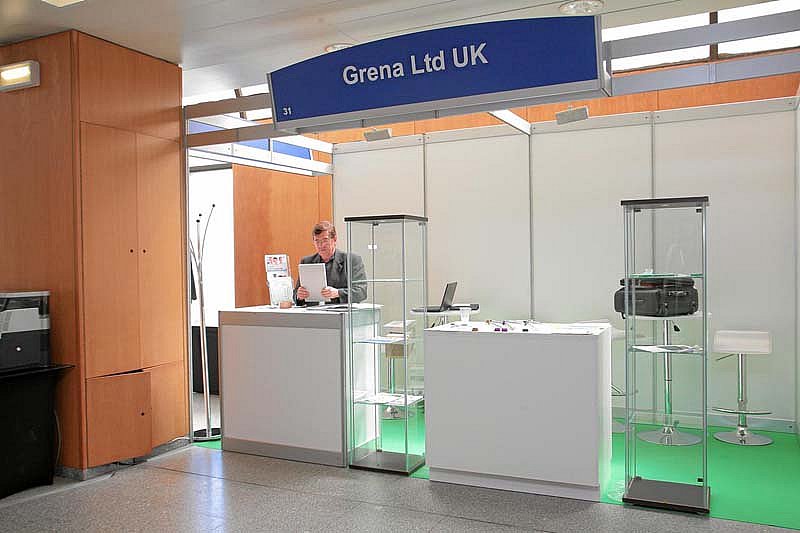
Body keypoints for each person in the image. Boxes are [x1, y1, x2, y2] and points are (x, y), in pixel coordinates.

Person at [294, 221, 367, 305]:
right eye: (317, 241)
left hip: (340, 311)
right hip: (313, 311)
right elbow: (296, 293)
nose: (321, 245)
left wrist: (337, 293)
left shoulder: (351, 260)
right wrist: (299, 295)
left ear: (334, 239)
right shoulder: (306, 262)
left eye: (325, 240)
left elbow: (361, 292)